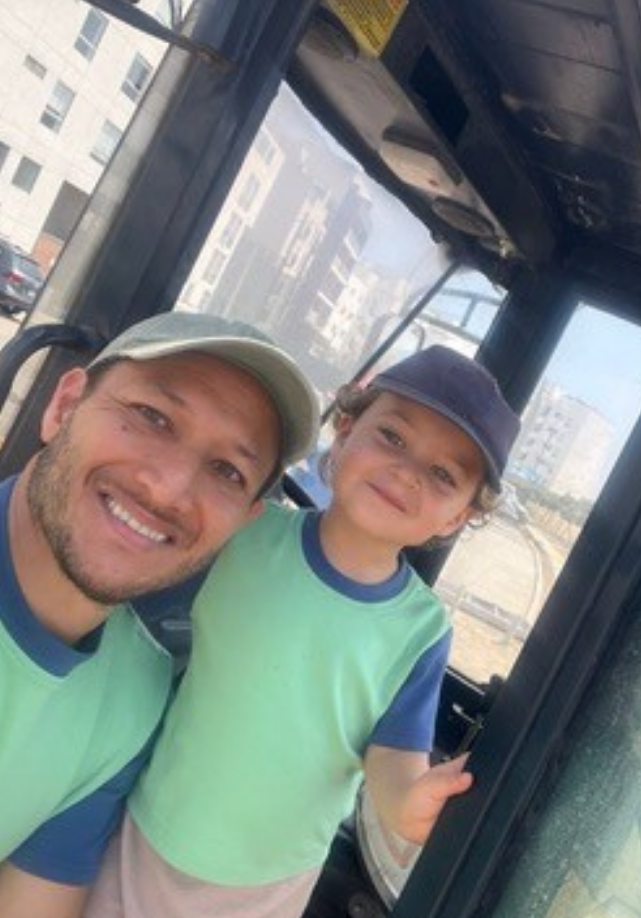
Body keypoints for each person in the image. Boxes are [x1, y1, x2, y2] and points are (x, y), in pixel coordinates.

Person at [0, 311, 320, 918]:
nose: (168, 489)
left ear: (244, 522)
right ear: (63, 406)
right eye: (153, 418)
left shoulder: (130, 700)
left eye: (227, 471)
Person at [75, 345, 522, 918]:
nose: (406, 473)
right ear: (345, 428)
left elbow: (393, 755)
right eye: (392, 438)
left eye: (441, 475)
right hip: (150, 821)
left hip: (267, 882)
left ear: (457, 517)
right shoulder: (249, 531)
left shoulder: (420, 630)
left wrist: (408, 801)